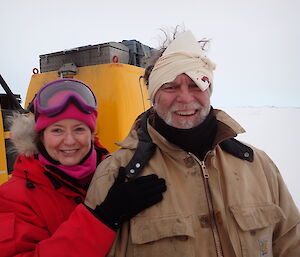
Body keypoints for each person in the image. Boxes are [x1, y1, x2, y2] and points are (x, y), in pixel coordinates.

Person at [85, 31, 300, 257]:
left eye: (196, 85)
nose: (185, 98)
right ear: (152, 95)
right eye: (170, 87)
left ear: (209, 91)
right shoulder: (116, 174)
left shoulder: (258, 166)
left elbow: (290, 242)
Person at [0, 78, 166, 257]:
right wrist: (104, 218)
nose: (70, 140)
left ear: (91, 133)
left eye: (79, 129)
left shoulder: (118, 172)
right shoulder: (12, 198)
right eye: (57, 130)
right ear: (41, 136)